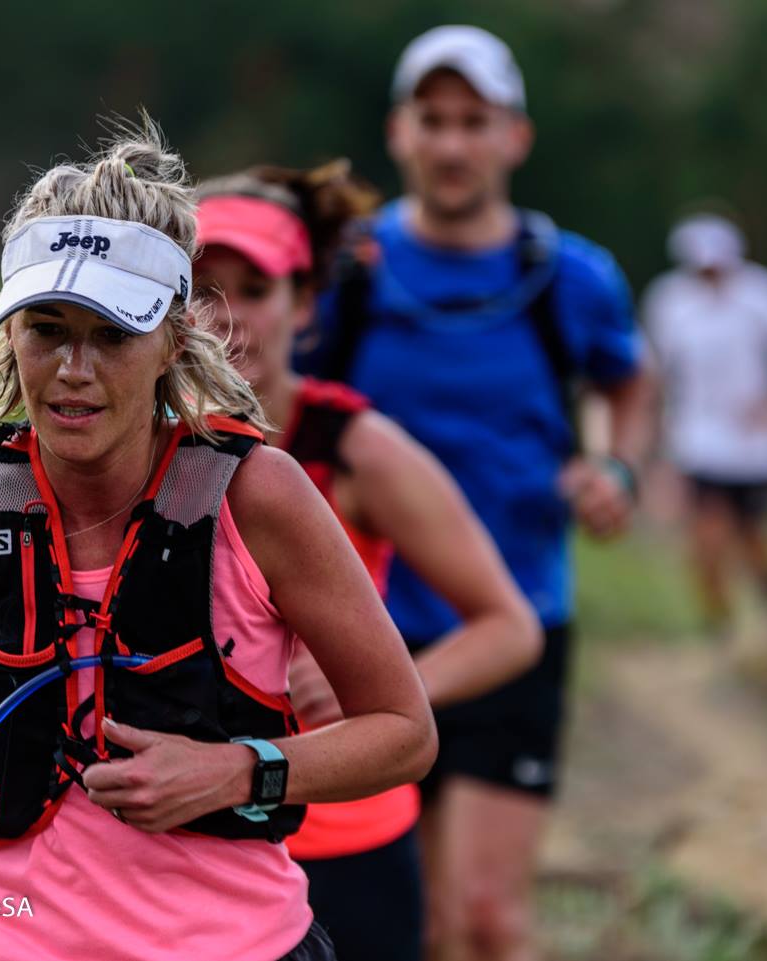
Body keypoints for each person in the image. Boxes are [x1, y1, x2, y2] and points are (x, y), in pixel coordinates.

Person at [0, 124, 437, 961]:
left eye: (112, 334)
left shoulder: (259, 497)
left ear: (174, 337)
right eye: (47, 329)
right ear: (8, 333)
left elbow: (404, 730)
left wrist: (241, 770)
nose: (73, 369)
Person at [301, 26, 652, 961]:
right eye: (433, 120)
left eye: (474, 122)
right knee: (395, 919)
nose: (453, 144)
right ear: (399, 132)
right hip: (360, 632)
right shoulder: (348, 271)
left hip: (514, 621)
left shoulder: (567, 278)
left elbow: (627, 379)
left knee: (487, 919)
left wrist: (616, 468)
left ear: (514, 138)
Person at [195, 162, 542, 961]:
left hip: (342, 840)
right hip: (190, 838)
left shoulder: (356, 450)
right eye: (202, 290)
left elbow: (509, 625)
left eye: (255, 289)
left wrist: (391, 691)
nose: (227, 319)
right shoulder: (132, 443)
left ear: (307, 305)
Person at [642, 212, 767, 637]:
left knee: (758, 535)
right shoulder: (669, 301)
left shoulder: (763, 294)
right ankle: (720, 624)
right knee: (707, 537)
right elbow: (652, 373)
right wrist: (654, 445)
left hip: (755, 444)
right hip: (698, 438)